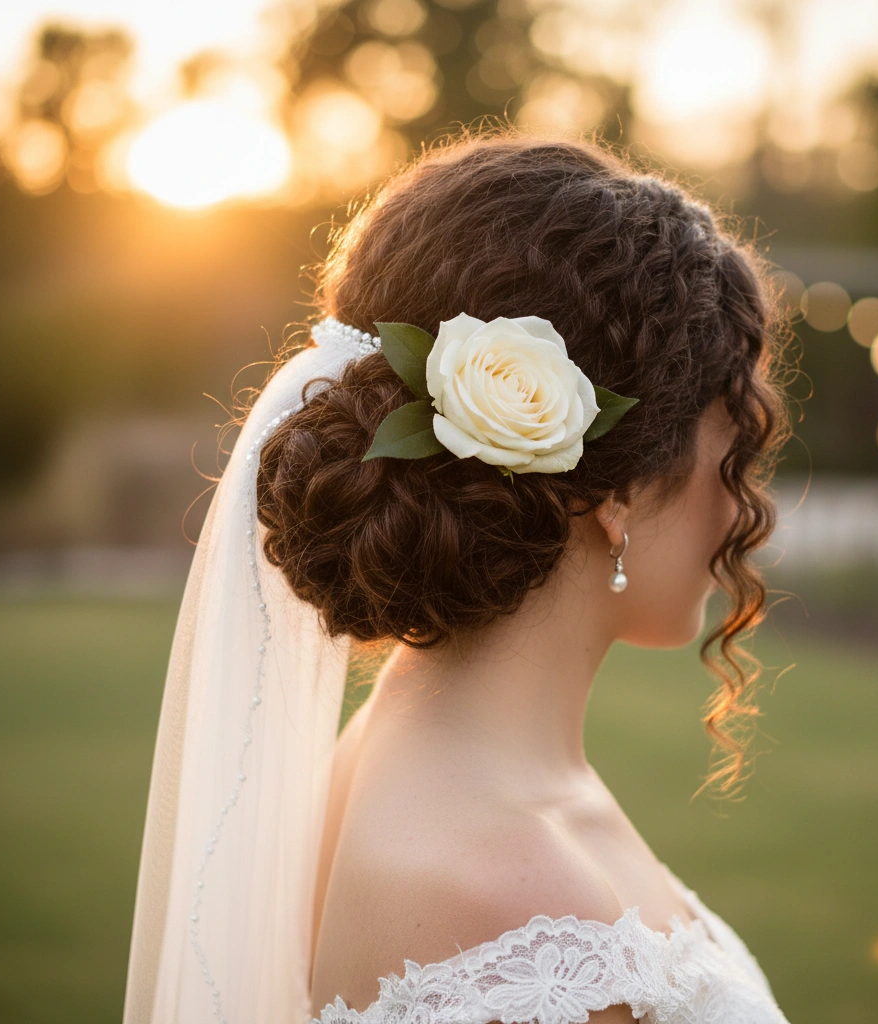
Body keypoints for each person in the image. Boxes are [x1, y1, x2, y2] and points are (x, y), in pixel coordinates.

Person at [122, 129, 793, 1024]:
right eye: (735, 444)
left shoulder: (405, 758)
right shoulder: (504, 900)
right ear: (620, 488)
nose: (749, 510)